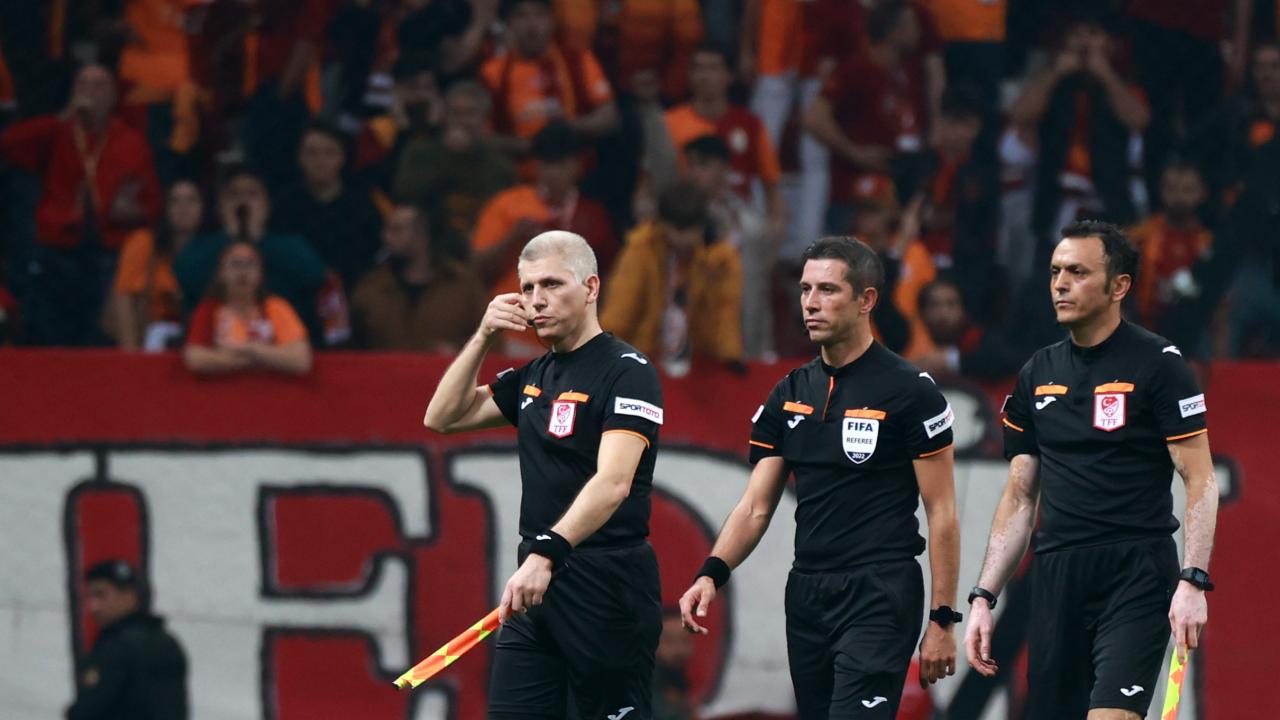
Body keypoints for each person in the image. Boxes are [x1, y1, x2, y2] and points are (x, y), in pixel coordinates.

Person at [678, 235, 961, 718]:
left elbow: (943, 512)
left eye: (828, 290)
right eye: (806, 289)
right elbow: (755, 506)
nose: (810, 302)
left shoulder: (910, 391)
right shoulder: (789, 393)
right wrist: (711, 572)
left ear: (866, 300)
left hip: (880, 591)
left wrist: (943, 619)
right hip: (807, 593)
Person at [964, 221, 1220, 720]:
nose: (1060, 284)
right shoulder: (1037, 373)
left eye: (1078, 273)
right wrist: (983, 596)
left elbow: (1200, 479)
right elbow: (1020, 496)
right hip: (1056, 577)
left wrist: (1192, 580)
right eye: (1055, 272)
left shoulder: (1159, 364)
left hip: (1135, 573)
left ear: (1118, 286)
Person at [423, 230, 665, 719]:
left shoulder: (628, 371)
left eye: (552, 284)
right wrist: (483, 337)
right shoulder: (535, 374)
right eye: (527, 287)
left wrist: (546, 552)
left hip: (606, 582)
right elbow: (441, 417)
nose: (536, 299)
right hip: (538, 582)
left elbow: (614, 483)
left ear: (591, 287)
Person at [0, 63, 161, 346]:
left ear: (113, 96)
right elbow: (9, 143)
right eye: (82, 85)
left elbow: (153, 206)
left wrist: (130, 211)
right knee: (49, 330)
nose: (90, 92)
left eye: (98, 85)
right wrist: (64, 116)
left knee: (97, 333)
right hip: (57, 248)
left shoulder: (131, 143)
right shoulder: (57, 131)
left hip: (108, 250)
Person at [601, 180, 743, 375]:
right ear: (662, 224)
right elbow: (621, 309)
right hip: (644, 357)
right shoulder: (640, 250)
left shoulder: (720, 259)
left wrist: (730, 357)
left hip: (697, 361)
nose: (682, 238)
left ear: (702, 226)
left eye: (689, 229)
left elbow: (725, 313)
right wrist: (604, 353)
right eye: (676, 229)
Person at [173, 166, 326, 336]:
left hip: (282, 337)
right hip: (217, 336)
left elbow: (314, 274)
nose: (243, 202)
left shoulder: (289, 245)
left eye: (252, 194)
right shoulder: (203, 246)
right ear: (220, 205)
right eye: (234, 194)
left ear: (267, 204)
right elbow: (185, 276)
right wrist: (231, 237)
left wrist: (255, 237)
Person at [660, 44, 785, 235]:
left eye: (713, 68)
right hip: (684, 217)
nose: (704, 76)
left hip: (737, 218)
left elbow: (772, 185)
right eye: (698, 68)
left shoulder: (750, 124)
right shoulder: (669, 123)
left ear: (729, 76)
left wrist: (776, 225)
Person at [392, 80, 518, 263]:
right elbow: (406, 195)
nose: (462, 121)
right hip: (428, 244)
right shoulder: (420, 152)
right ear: (445, 116)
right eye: (456, 113)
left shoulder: (499, 165)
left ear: (484, 119)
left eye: (470, 113)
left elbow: (503, 211)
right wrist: (449, 155)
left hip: (479, 247)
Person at [349, 205, 488, 351]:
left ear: (422, 234)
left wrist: (460, 351)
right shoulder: (372, 287)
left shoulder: (462, 285)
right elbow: (350, 344)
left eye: (397, 229)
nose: (385, 236)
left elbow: (490, 339)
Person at [67, 559, 188, 720]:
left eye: (101, 595)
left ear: (129, 596)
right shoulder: (167, 642)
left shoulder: (117, 646)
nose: (93, 607)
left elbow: (87, 711)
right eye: (90, 597)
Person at [272, 122, 383, 292]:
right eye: (311, 153)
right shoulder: (284, 206)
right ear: (299, 158)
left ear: (343, 157)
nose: (320, 161)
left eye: (329, 152)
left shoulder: (362, 205)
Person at [183, 240, 313, 376]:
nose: (243, 272)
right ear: (221, 273)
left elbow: (301, 360)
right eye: (235, 264)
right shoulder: (208, 309)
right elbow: (195, 359)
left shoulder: (277, 307)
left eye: (250, 264)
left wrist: (250, 349)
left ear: (261, 273)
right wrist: (261, 359)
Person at [110, 179, 205, 351]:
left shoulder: (216, 248)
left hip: (201, 341)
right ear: (165, 208)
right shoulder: (142, 242)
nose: (183, 208)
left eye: (191, 200)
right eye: (174, 201)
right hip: (150, 337)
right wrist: (131, 355)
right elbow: (123, 298)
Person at [905, 278, 1024, 380]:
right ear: (922, 312)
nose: (943, 313)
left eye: (951, 304)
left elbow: (1008, 360)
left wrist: (951, 361)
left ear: (964, 311)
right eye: (934, 305)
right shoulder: (908, 341)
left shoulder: (980, 340)